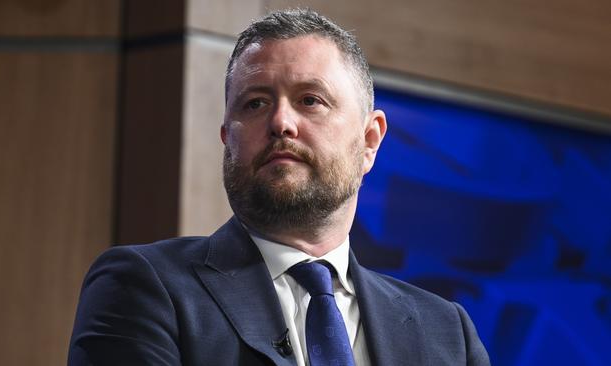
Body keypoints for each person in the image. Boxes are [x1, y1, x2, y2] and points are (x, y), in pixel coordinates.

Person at [69, 8, 490, 366]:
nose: (281, 123)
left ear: (369, 141)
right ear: (227, 139)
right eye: (255, 103)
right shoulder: (144, 287)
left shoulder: (448, 334)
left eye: (310, 100)